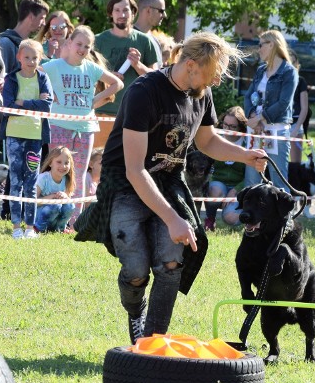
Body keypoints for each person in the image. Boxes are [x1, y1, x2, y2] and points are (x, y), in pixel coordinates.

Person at [73, 31, 267, 345]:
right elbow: (135, 170)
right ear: (189, 64)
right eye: (211, 74)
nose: (216, 81)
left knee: (171, 262)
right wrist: (173, 219)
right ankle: (136, 313)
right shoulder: (144, 92)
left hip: (168, 182)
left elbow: (206, 141)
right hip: (125, 183)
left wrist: (244, 155)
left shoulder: (201, 93)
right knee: (136, 270)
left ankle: (152, 344)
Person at [42, 25, 124, 224]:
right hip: (59, 126)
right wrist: (48, 96)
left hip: (86, 128)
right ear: (69, 43)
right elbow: (34, 75)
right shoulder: (54, 65)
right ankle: (53, 216)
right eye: (79, 44)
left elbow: (117, 84)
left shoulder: (91, 68)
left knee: (78, 174)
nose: (82, 49)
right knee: (57, 172)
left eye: (87, 47)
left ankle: (74, 221)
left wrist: (95, 100)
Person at [0, 39, 52, 239]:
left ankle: (30, 227)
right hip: (14, 136)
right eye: (26, 57)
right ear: (19, 57)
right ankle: (16, 227)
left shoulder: (44, 79)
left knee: (31, 183)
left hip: (35, 138)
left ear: (40, 58)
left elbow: (47, 106)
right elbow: (10, 105)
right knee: (16, 182)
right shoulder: (12, 79)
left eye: (34, 57)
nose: (30, 61)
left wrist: (25, 102)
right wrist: (34, 103)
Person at [94, 0, 159, 147]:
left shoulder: (145, 41)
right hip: (103, 112)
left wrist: (138, 65)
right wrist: (108, 76)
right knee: (98, 164)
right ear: (111, 13)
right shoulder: (98, 41)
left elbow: (156, 77)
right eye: (117, 10)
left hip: (134, 115)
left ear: (133, 12)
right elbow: (87, 75)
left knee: (128, 165)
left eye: (126, 10)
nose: (121, 14)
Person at [243, 30, 297, 193]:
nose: (259, 49)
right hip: (255, 130)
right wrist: (252, 116)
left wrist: (261, 119)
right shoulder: (260, 70)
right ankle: (252, 218)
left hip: (277, 131)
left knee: (278, 179)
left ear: (272, 44)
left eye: (261, 45)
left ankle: (284, 219)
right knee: (252, 178)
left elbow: (283, 103)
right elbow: (248, 95)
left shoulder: (289, 71)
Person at [204, 106, 248, 231]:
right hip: (218, 184)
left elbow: (252, 176)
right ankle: (210, 220)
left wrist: (236, 189)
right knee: (214, 190)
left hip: (239, 188)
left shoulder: (247, 143)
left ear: (240, 127)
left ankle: (249, 223)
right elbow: (207, 169)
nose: (227, 129)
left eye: (232, 126)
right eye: (225, 124)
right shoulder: (216, 140)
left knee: (230, 218)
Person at [0, 0, 49, 73]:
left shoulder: (30, 46)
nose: (44, 23)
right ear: (31, 17)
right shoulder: (5, 44)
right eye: (42, 18)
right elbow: (1, 77)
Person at [35, 146, 76, 233]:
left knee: (70, 205)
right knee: (55, 205)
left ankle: (60, 229)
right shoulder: (43, 178)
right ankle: (39, 228)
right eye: (59, 162)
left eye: (66, 163)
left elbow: (68, 204)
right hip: (39, 215)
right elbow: (33, 202)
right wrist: (52, 197)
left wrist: (65, 197)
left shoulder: (67, 180)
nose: (63, 166)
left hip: (54, 217)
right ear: (50, 163)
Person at [134, 0, 167, 67]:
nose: (164, 15)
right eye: (161, 11)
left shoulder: (155, 41)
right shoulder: (127, 37)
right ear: (148, 10)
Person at [288, 49, 309, 163]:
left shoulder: (301, 81)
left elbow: (304, 108)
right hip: (278, 125)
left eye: (293, 63)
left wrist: (296, 128)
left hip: (295, 123)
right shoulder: (277, 80)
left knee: (295, 164)